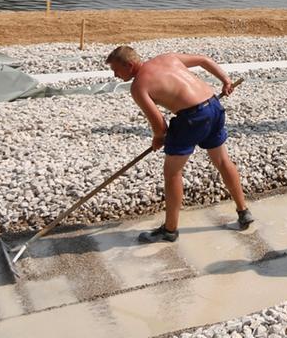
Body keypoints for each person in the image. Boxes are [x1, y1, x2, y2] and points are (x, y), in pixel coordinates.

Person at [105, 45, 254, 243]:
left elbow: (159, 124)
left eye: (116, 70)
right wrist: (225, 80)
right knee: (222, 161)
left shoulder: (139, 86)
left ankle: (170, 230)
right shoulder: (167, 57)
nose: (115, 75)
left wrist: (158, 138)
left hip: (192, 118)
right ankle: (243, 211)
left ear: (130, 65)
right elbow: (203, 59)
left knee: (172, 173)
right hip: (214, 107)